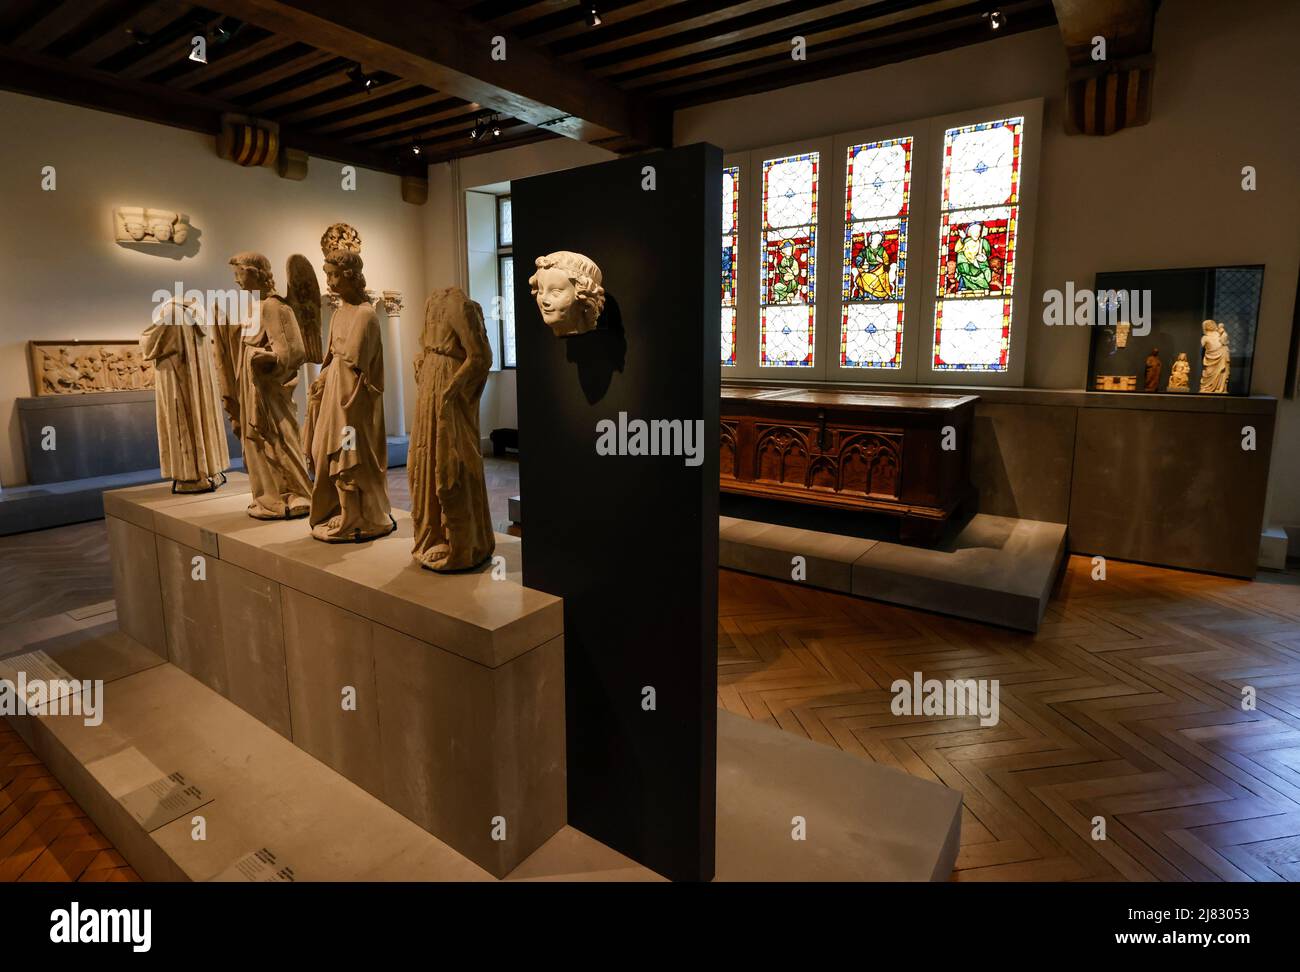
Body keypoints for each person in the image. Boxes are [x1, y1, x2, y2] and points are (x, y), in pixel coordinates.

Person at [303, 249, 394, 542]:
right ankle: (343, 511)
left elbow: (353, 360)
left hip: (352, 400)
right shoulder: (341, 312)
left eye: (333, 274)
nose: (329, 281)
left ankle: (357, 515)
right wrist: (320, 380)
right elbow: (331, 356)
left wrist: (331, 375)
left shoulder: (366, 315)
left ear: (351, 277)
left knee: (347, 455)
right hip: (334, 395)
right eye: (327, 274)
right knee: (326, 452)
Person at [214, 252, 312, 519]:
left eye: (239, 274)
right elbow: (248, 341)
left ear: (255, 272)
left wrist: (268, 358)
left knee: (280, 435)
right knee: (258, 439)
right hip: (252, 384)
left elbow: (295, 352)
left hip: (270, 387)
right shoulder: (255, 307)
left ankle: (297, 493)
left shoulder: (275, 307)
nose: (236, 281)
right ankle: (270, 496)